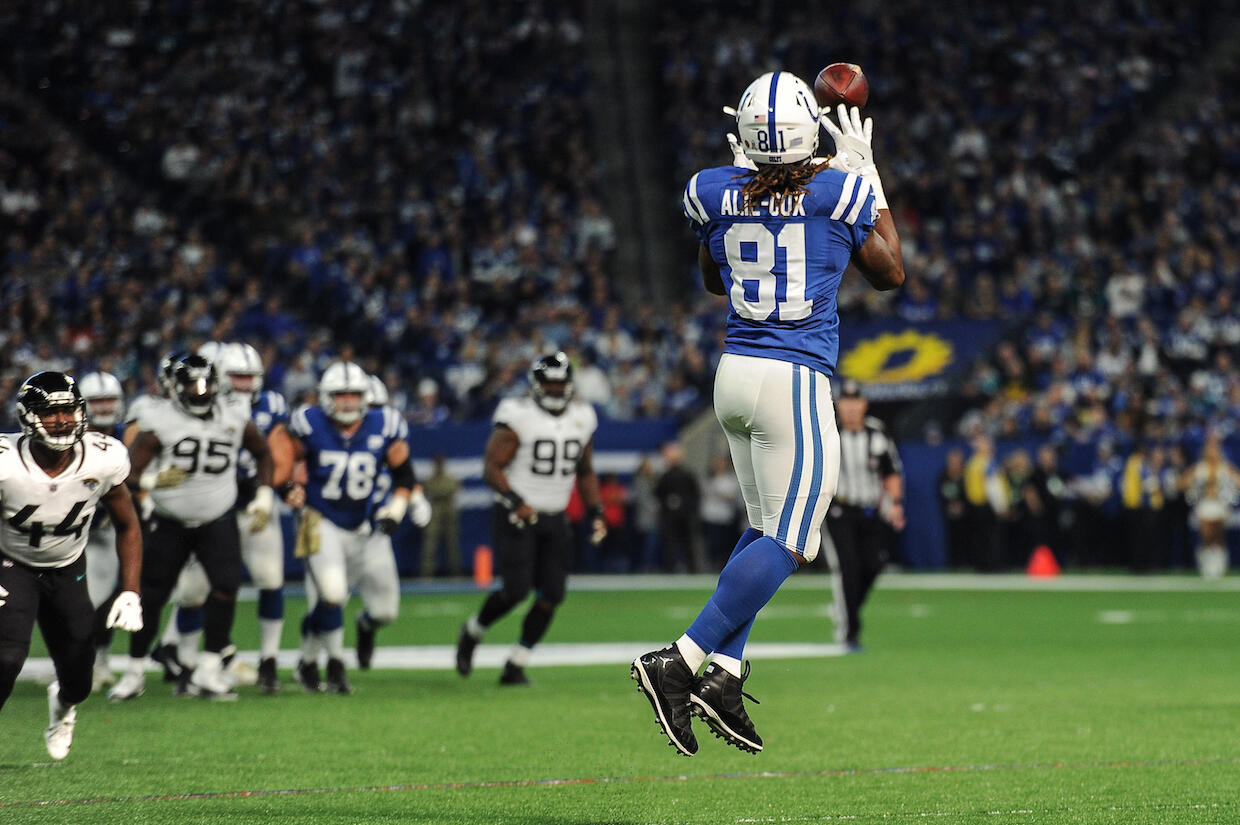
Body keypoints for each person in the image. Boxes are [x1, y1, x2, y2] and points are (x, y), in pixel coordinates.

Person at [632, 73, 903, 757]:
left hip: (735, 376)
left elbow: (713, 275)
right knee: (795, 538)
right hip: (795, 376)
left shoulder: (710, 189)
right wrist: (869, 178)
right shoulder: (839, 191)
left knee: (763, 526)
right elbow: (890, 270)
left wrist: (746, 194)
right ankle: (683, 658)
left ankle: (723, 671)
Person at [108, 353, 275, 701]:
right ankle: (135, 671)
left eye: (206, 384)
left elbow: (263, 453)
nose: (200, 392)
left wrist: (264, 495)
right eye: (192, 385)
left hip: (219, 516)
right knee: (151, 597)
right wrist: (152, 480)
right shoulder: (160, 418)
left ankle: (210, 669)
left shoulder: (233, 413)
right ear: (174, 387)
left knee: (226, 587)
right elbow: (128, 471)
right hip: (170, 521)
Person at [0, 372, 143, 761]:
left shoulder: (103, 456)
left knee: (80, 677)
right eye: (50, 413)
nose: (61, 420)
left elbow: (128, 525)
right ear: (27, 417)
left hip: (67, 566)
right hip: (11, 563)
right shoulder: (6, 461)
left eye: (68, 410)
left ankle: (62, 710)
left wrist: (131, 590)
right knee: (6, 657)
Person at [455, 352, 607, 685]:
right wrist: (515, 500)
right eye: (549, 383)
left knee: (552, 595)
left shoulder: (583, 416)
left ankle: (516, 664)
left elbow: (585, 471)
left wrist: (596, 511)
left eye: (560, 383)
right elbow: (491, 467)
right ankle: (472, 631)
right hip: (516, 514)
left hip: (555, 515)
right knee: (515, 591)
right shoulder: (517, 414)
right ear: (536, 385)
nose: (555, 390)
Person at [288, 362, 432, 693]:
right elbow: (289, 462)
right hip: (320, 519)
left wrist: (405, 504)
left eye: (359, 397)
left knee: (384, 610)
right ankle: (331, 663)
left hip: (371, 529)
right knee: (331, 595)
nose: (352, 405)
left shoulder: (386, 427)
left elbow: (404, 474)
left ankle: (316, 655)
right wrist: (288, 485)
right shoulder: (311, 425)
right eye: (342, 396)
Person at [820, 380, 904, 651]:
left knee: (872, 566)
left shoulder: (876, 433)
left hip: (870, 510)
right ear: (838, 405)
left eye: (856, 402)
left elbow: (890, 471)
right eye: (846, 402)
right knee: (848, 567)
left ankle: (848, 609)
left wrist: (897, 504)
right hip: (839, 510)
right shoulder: (827, 432)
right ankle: (849, 632)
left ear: (864, 404)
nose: (852, 408)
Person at [77, 371, 129, 691]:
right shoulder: (71, 438)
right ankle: (74, 663)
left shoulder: (127, 435)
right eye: (98, 400)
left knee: (104, 597)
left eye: (110, 399)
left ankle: (99, 661)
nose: (106, 407)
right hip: (69, 530)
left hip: (109, 530)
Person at [1180, 432, 1240, 579]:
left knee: (1218, 536)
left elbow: (1238, 481)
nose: (1212, 452)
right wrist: (1194, 487)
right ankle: (1205, 564)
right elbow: (1182, 483)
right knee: (1206, 536)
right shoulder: (1199, 468)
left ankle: (1219, 564)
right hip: (1204, 504)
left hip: (1220, 505)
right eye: (1210, 449)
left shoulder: (1225, 467)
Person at [655, 442, 705, 573]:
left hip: (683, 514)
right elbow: (659, 493)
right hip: (674, 515)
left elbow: (695, 494)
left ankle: (688, 567)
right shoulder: (666, 475)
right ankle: (678, 567)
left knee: (685, 542)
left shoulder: (685, 474)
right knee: (673, 543)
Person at [420, 453, 462, 579]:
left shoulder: (451, 479)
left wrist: (440, 493)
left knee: (452, 544)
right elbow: (429, 490)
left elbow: (453, 489)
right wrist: (441, 493)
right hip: (434, 512)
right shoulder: (429, 480)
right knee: (430, 544)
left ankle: (455, 574)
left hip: (448, 512)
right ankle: (427, 575)